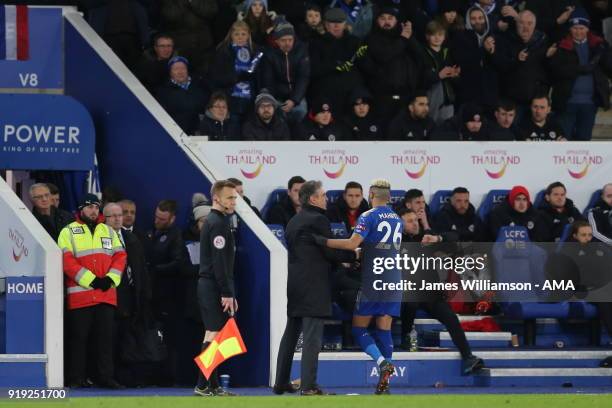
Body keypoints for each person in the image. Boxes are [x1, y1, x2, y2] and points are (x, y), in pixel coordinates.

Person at [314, 179, 401, 395]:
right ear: (389, 196)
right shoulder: (397, 218)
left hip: (374, 280)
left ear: (371, 194)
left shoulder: (368, 215)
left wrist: (323, 241)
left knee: (359, 328)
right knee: (384, 328)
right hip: (394, 278)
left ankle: (382, 362)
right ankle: (385, 383)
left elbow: (352, 243)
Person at [274, 180, 356, 396]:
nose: (326, 198)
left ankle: (280, 382)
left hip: (295, 284)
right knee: (312, 337)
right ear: (313, 199)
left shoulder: (293, 220)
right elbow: (328, 252)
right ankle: (309, 386)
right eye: (323, 195)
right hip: (315, 285)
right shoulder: (319, 219)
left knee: (290, 334)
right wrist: (352, 255)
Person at [398, 208, 485, 375]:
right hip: (406, 292)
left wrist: (437, 238)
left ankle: (468, 357)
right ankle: (404, 339)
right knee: (410, 301)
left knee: (451, 318)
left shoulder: (427, 239)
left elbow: (455, 238)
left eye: (416, 220)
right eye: (410, 221)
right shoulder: (396, 241)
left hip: (431, 293)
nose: (415, 223)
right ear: (400, 224)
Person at [58, 194, 126, 389]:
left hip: (105, 295)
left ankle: (105, 378)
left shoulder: (109, 231)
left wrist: (110, 279)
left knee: (105, 341)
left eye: (96, 207)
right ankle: (77, 378)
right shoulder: (68, 231)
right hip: (81, 295)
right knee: (79, 340)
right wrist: (92, 280)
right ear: (81, 209)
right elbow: (67, 261)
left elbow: (120, 256)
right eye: (89, 207)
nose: (94, 211)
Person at [194, 180, 239, 396]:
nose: (234, 201)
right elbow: (220, 262)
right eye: (230, 197)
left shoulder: (214, 221)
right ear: (217, 199)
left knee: (212, 334)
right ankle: (203, 384)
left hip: (209, 284)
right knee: (215, 334)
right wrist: (227, 292)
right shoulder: (219, 223)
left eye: (235, 197)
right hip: (213, 285)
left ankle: (212, 386)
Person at [103, 203, 152, 387]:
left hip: (132, 297)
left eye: (120, 215)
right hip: (112, 297)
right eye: (113, 215)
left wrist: (144, 294)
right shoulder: (100, 238)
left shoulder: (131, 238)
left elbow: (140, 269)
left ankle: (128, 378)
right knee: (110, 340)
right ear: (104, 218)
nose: (117, 218)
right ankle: (109, 376)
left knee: (129, 338)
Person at [143, 200, 189, 385]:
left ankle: (169, 378)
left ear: (172, 219)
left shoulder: (176, 236)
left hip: (169, 296)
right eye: (156, 217)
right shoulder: (150, 233)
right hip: (152, 295)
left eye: (162, 219)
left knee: (170, 339)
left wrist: (155, 270)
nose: (157, 221)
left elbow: (179, 264)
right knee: (154, 337)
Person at [550, 7, 612, 140]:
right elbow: (555, 70)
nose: (578, 32)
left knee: (584, 142)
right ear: (570, 29)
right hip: (566, 103)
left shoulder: (598, 45)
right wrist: (578, 69)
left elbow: (609, 67)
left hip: (589, 104)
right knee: (564, 141)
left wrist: (604, 53)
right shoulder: (561, 45)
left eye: (582, 28)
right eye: (575, 28)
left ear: (588, 28)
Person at [360, 6, 422, 122]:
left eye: (390, 18)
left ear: (396, 21)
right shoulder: (371, 39)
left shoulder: (403, 37)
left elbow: (420, 56)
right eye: (382, 18)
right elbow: (384, 55)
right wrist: (404, 39)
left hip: (406, 96)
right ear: (377, 21)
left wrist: (410, 36)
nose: (387, 22)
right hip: (382, 97)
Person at [309, 7, 364, 118]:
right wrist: (335, 66)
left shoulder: (355, 42)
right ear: (325, 24)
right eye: (332, 23)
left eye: (340, 22)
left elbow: (362, 68)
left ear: (345, 24)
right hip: (327, 97)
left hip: (351, 97)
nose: (336, 26)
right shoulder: (316, 43)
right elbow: (313, 69)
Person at [450, 4, 504, 110]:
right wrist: (483, 49)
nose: (478, 21)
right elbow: (464, 62)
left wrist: (492, 52)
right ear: (468, 21)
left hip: (490, 96)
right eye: (473, 19)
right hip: (468, 94)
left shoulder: (494, 37)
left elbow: (501, 65)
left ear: (485, 19)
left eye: (480, 18)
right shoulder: (460, 37)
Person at [497, 10, 552, 114]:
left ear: (535, 25)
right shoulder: (506, 40)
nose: (525, 27)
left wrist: (541, 93)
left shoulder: (543, 41)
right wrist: (516, 60)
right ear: (516, 24)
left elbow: (548, 71)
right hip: (511, 102)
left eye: (529, 23)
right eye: (522, 23)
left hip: (534, 102)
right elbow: (500, 66)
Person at [210, 21, 264, 124]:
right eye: (237, 34)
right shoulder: (222, 51)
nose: (240, 37)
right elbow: (216, 78)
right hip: (230, 99)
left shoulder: (256, 52)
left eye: (243, 34)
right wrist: (236, 77)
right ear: (231, 35)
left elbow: (261, 77)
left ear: (248, 35)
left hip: (251, 100)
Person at [261, 19, 310, 126]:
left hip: (297, 96)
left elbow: (303, 77)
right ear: (277, 41)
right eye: (283, 40)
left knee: (301, 112)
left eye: (290, 40)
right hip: (277, 97)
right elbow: (268, 80)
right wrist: (274, 101)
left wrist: (294, 100)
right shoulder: (269, 54)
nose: (287, 43)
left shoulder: (301, 50)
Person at [159, 0, 218, 76]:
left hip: (204, 45)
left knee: (207, 76)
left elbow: (211, 11)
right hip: (180, 46)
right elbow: (170, 15)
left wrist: (192, 1)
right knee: (180, 77)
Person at [156, 56, 208, 135]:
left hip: (198, 133)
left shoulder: (200, 85)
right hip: (174, 134)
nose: (180, 72)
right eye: (176, 69)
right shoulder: (163, 91)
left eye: (183, 68)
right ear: (170, 72)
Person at [421, 20, 459, 124]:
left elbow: (455, 79)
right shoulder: (422, 52)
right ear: (427, 36)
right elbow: (421, 79)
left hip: (448, 99)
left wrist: (454, 76)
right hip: (431, 97)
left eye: (440, 34)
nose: (437, 38)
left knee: (447, 130)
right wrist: (439, 76)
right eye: (433, 35)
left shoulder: (447, 52)